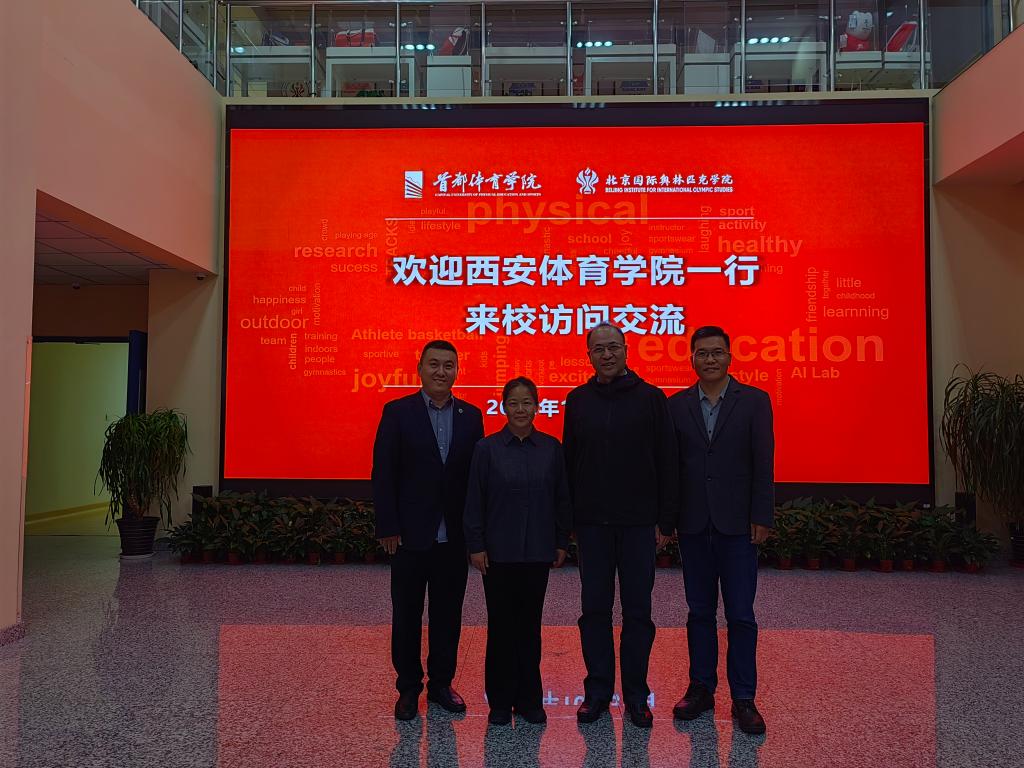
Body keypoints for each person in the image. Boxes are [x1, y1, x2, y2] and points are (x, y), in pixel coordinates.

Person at [563, 322, 678, 728]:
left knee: (638, 612)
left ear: (627, 350)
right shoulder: (577, 400)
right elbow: (569, 463)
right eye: (599, 349)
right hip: (592, 524)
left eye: (613, 347)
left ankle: (636, 696)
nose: (607, 354)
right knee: (594, 610)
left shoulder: (651, 398)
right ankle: (596, 693)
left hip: (638, 524)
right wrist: (568, 520)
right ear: (589, 356)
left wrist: (666, 520)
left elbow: (667, 460)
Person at [667, 325, 775, 735]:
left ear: (729, 357)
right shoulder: (676, 406)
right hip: (694, 524)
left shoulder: (754, 402)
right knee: (699, 612)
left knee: (741, 614)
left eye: (716, 352)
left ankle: (744, 697)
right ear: (692, 359)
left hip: (738, 526)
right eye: (702, 353)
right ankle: (701, 689)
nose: (709, 359)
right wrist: (668, 521)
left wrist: (762, 516)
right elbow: (672, 468)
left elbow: (763, 462)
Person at [372, 340, 484, 721]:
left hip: (452, 538)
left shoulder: (471, 416)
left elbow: (475, 481)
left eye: (448, 365)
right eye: (434, 364)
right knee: (406, 614)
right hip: (409, 535)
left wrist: (476, 534)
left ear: (457, 371)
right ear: (419, 369)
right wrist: (388, 525)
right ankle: (408, 688)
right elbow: (383, 473)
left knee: (448, 614)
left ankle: (441, 684)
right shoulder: (397, 412)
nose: (441, 371)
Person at [464, 376, 572, 727]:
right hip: (497, 554)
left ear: (537, 407)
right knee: (500, 628)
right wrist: (476, 545)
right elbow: (475, 500)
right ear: (503, 407)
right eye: (514, 403)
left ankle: (529, 699)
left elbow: (562, 499)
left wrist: (561, 541)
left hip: (538, 552)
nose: (521, 409)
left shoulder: (551, 449)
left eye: (527, 402)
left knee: (529, 627)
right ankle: (499, 701)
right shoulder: (487, 449)